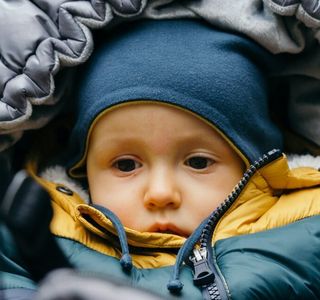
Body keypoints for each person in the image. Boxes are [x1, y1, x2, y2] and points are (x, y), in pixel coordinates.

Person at [1, 19, 320, 300]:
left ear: (253, 167)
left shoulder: (306, 232)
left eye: (198, 162)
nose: (161, 193)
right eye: (126, 165)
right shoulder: (36, 240)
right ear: (82, 170)